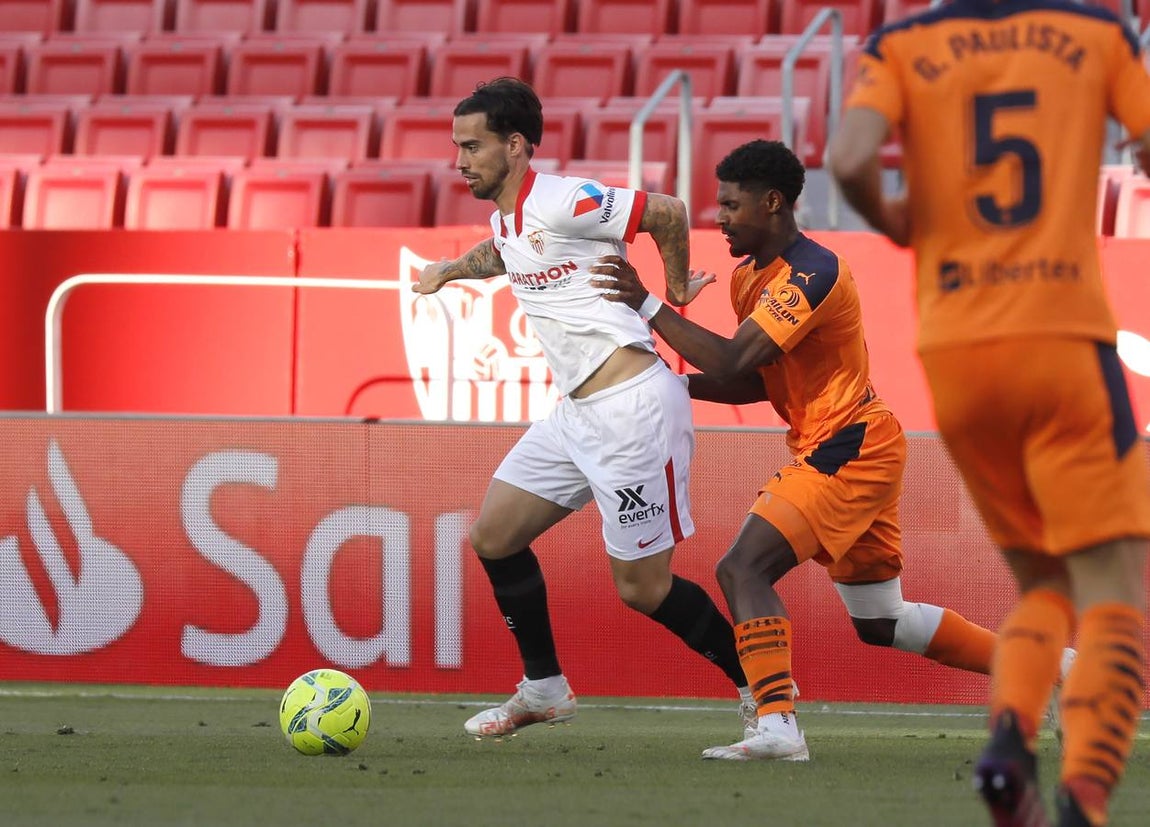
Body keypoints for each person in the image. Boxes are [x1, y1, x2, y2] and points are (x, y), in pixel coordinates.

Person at [828, 3, 1150, 825]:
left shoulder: (900, 43)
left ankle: (1009, 740)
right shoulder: (1098, 34)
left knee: (1042, 580)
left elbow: (850, 157)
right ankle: (1082, 797)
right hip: (1063, 336)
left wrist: (902, 224)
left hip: (959, 349)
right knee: (1114, 589)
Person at [590, 138, 1008, 763]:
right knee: (879, 621)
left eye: (731, 205)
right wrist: (665, 382)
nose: (720, 218)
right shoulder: (747, 278)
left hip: (851, 444)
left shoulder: (814, 271)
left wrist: (645, 303)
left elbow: (735, 357)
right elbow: (752, 379)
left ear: (773, 202)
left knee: (742, 569)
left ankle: (779, 725)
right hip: (845, 442)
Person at [412, 77, 754, 739]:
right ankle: (544, 687)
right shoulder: (506, 217)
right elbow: (506, 252)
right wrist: (450, 269)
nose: (460, 160)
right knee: (494, 536)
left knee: (643, 590)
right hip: (574, 417)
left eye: (472, 146)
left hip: (632, 413)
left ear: (515, 146)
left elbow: (668, 211)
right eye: (457, 146)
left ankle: (761, 688)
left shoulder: (566, 198)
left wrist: (676, 287)